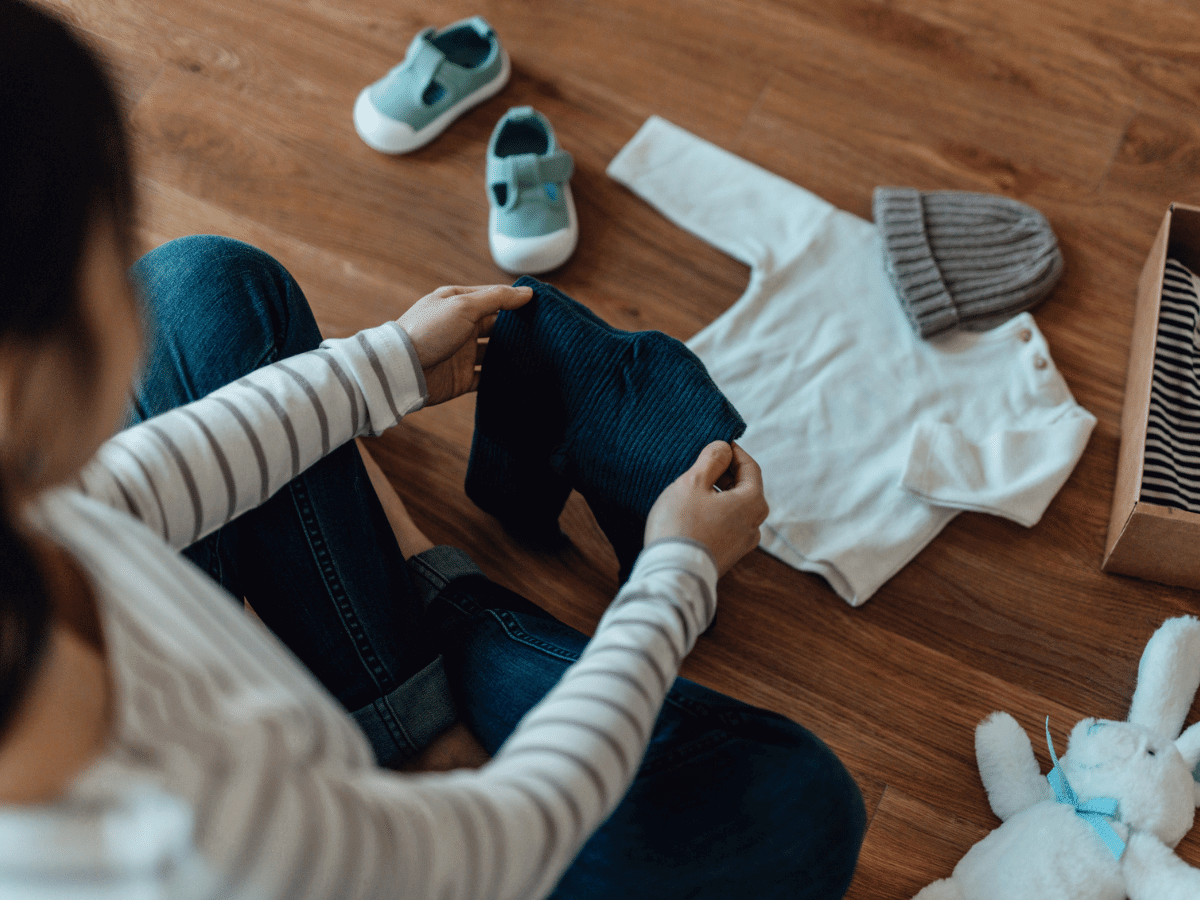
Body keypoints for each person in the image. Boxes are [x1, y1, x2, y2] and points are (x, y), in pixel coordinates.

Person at [0, 2, 865, 898]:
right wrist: (678, 571)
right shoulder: (185, 842)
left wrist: (385, 367)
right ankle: (430, 624)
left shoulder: (19, 508)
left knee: (201, 290)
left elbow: (126, 490)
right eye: (105, 253)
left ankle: (408, 664)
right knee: (795, 807)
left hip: (304, 793)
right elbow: (506, 836)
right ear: (27, 373)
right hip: (402, 863)